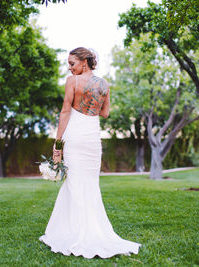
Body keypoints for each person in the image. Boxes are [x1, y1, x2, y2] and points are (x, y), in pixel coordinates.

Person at [39, 47, 141, 258]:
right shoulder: (104, 84)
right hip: (93, 138)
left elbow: (65, 111)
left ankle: (75, 233)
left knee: (75, 184)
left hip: (76, 135)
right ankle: (94, 231)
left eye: (72, 63)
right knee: (90, 185)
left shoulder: (72, 82)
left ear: (83, 62)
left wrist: (57, 145)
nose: (70, 68)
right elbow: (105, 113)